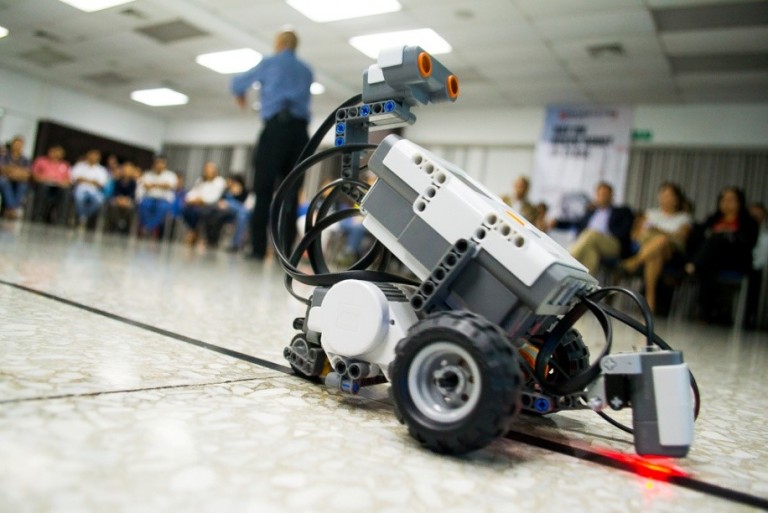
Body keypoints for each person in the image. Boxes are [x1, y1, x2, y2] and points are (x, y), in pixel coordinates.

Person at [230, 29, 313, 260]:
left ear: (279, 43)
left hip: (275, 130)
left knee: (263, 190)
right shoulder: (307, 71)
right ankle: (283, 253)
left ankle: (257, 250)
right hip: (299, 134)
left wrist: (240, 95)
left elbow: (237, 83)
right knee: (291, 192)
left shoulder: (270, 63)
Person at [686, 187, 759, 324]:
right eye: (724, 200)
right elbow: (696, 238)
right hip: (713, 261)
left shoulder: (748, 221)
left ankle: (693, 266)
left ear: (740, 202)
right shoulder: (713, 219)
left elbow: (749, 243)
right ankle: (713, 311)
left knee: (716, 240)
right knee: (709, 265)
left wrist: (728, 234)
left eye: (731, 200)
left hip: (735, 259)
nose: (727, 203)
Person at [621, 182, 692, 313]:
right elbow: (636, 235)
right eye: (663, 195)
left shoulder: (683, 218)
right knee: (655, 255)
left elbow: (681, 238)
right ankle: (650, 299)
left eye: (669, 195)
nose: (665, 198)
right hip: (648, 248)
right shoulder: (651, 213)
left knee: (662, 240)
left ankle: (634, 262)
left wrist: (658, 231)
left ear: (677, 199)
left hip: (671, 252)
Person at [551, 182, 634, 277]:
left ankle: (565, 262)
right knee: (591, 251)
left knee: (591, 234)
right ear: (596, 196)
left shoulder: (622, 211)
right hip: (592, 242)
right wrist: (557, 223)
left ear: (611, 196)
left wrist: (601, 235)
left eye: (605, 194)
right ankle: (586, 286)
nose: (602, 197)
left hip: (613, 244)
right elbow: (576, 223)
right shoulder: (591, 212)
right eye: (600, 194)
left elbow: (625, 231)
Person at [180, 161, 227, 246]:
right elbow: (193, 192)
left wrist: (201, 200)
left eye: (210, 169)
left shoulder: (219, 181)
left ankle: (194, 233)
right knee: (185, 210)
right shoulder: (200, 180)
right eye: (206, 169)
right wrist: (189, 199)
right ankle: (193, 231)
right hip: (197, 204)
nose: (208, 171)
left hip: (211, 206)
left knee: (197, 212)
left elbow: (214, 197)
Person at [136, 155, 178, 238]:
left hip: (164, 200)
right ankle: (148, 228)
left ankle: (149, 228)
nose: (159, 165)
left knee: (162, 208)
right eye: (157, 163)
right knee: (143, 205)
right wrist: (159, 185)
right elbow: (144, 185)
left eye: (161, 163)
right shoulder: (147, 174)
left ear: (165, 164)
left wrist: (153, 185)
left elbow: (169, 185)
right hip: (149, 198)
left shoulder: (170, 175)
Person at [31, 145, 71, 224]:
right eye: (54, 152)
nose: (56, 154)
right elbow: (34, 175)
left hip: (58, 188)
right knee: (43, 187)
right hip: (43, 185)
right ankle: (38, 216)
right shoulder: (41, 161)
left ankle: (61, 219)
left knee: (66, 191)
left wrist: (61, 182)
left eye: (59, 152)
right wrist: (44, 179)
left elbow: (68, 180)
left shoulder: (65, 165)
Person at [70, 149, 109, 227]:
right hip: (80, 189)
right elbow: (74, 179)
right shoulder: (79, 166)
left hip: (94, 191)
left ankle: (83, 216)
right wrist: (92, 181)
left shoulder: (102, 170)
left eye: (95, 156)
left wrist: (84, 179)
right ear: (88, 155)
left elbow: (101, 184)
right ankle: (83, 217)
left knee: (99, 200)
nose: (93, 157)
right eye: (92, 155)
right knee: (79, 198)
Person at [746, 203, 767, 328]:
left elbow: (760, 261)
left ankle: (749, 318)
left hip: (752, 268)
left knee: (754, 277)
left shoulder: (765, 237)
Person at [0, 136, 32, 219]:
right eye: (16, 144)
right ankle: (12, 209)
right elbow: (3, 169)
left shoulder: (25, 159)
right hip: (5, 179)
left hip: (18, 180)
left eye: (20, 144)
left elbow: (26, 173)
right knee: (3, 181)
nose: (18, 146)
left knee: (23, 185)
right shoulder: (4, 156)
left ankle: (11, 209)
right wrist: (17, 172)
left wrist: (13, 172)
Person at [104, 161, 138, 234]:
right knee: (113, 206)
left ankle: (125, 227)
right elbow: (115, 192)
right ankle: (114, 225)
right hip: (117, 200)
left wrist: (126, 200)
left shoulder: (133, 182)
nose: (127, 171)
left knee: (131, 208)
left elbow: (133, 194)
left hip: (128, 201)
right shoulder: (118, 181)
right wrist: (119, 199)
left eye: (129, 169)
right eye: (125, 168)